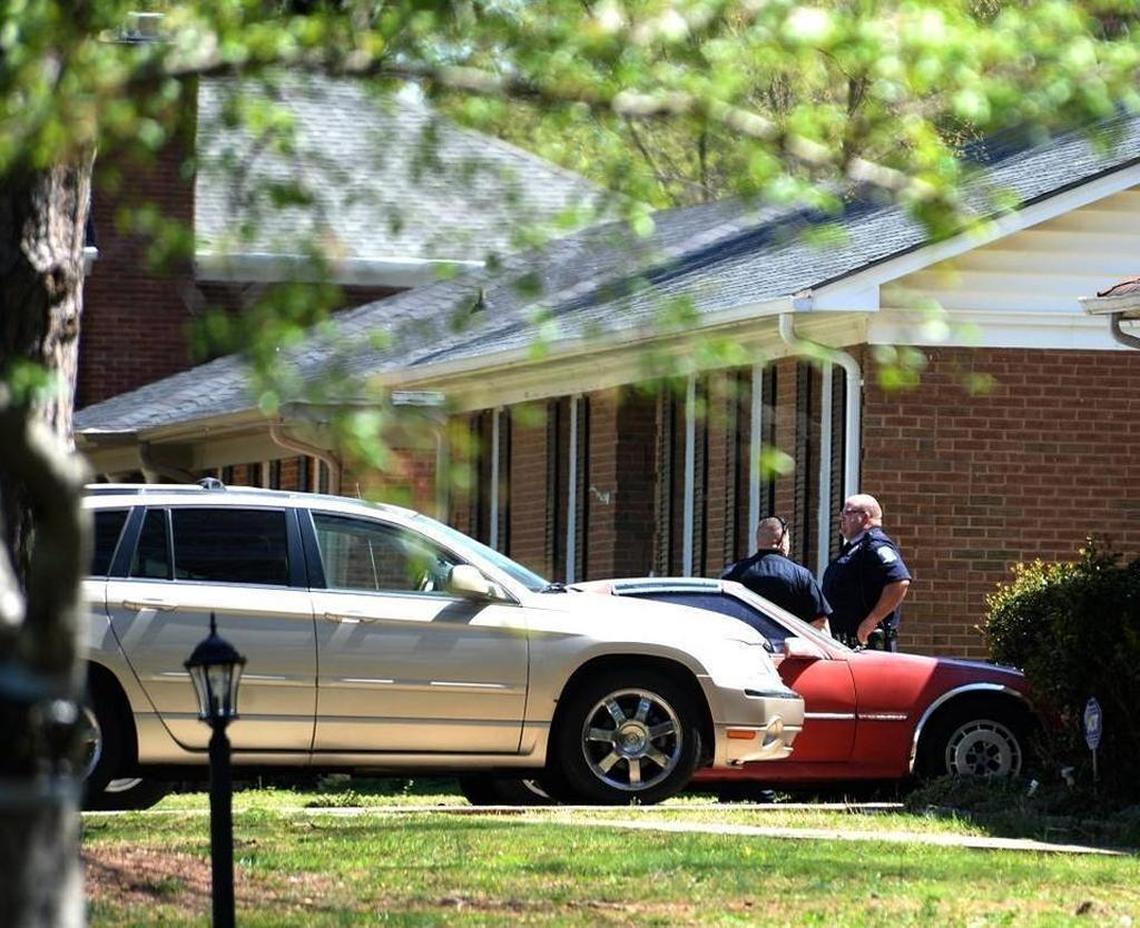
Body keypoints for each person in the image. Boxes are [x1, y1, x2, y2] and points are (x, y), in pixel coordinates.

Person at [822, 493, 911, 650]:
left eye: (847, 513)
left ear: (864, 518)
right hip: (847, 645)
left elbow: (899, 580)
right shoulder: (855, 547)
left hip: (867, 646)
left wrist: (872, 620)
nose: (841, 519)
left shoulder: (876, 544)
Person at [721, 516, 832, 631]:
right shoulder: (801, 575)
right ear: (783, 540)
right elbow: (820, 624)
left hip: (744, 645)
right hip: (787, 646)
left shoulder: (731, 575)